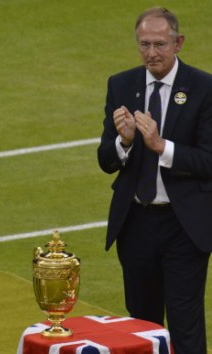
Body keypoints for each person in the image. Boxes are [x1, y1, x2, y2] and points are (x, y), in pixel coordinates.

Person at [97, 7, 212, 354]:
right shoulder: (121, 85)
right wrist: (125, 142)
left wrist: (162, 147)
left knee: (184, 323)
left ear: (178, 43)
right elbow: (105, 160)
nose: (152, 53)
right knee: (141, 326)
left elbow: (209, 160)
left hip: (183, 226)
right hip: (136, 225)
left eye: (160, 44)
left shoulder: (204, 88)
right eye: (144, 44)